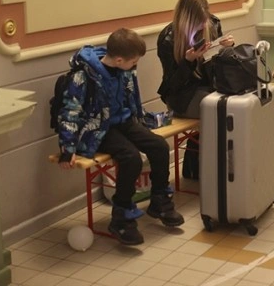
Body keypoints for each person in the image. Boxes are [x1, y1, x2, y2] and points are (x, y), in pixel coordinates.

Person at [157, 0, 274, 204]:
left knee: (246, 108)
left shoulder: (212, 24)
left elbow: (219, 67)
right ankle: (238, 179)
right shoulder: (168, 38)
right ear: (186, 20)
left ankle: (258, 180)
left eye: (204, 21)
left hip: (212, 87)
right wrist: (189, 62)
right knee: (229, 113)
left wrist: (225, 50)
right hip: (182, 96)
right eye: (198, 23)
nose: (203, 27)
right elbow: (172, 85)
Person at [57, 28, 184, 245]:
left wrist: (147, 122)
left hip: (123, 122)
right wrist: (67, 148)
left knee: (159, 146)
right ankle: (121, 217)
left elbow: (133, 102)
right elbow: (70, 112)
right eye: (133, 61)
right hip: (97, 129)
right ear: (118, 59)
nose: (135, 65)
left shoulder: (126, 70)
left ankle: (160, 201)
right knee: (130, 157)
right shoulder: (83, 76)